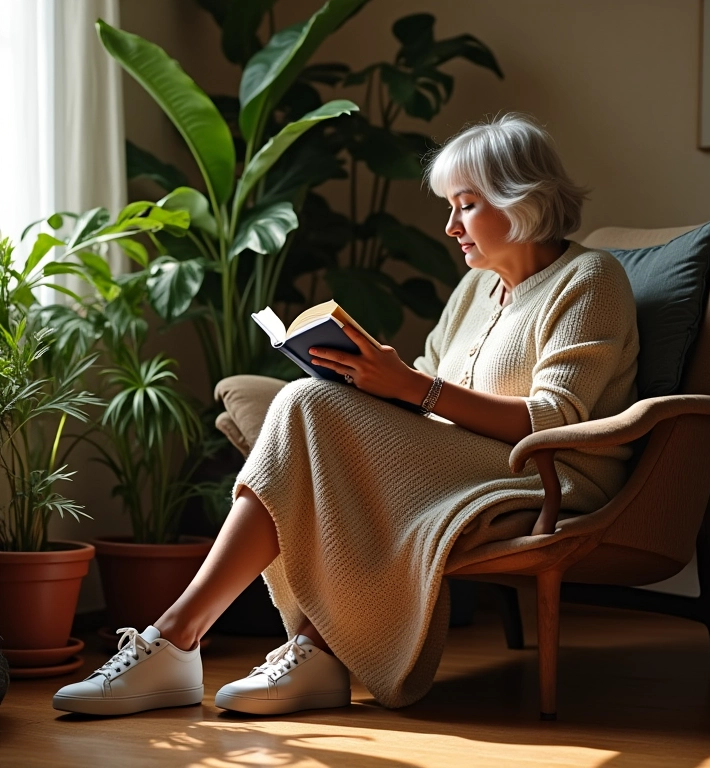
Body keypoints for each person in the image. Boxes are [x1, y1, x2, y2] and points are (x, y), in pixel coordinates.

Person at [53, 113, 639, 718]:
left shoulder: (590, 278)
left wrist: (411, 388)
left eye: (465, 206)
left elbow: (554, 418)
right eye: (450, 206)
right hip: (462, 457)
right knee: (312, 405)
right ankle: (310, 651)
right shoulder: (474, 290)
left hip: (548, 474)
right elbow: (426, 388)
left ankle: (180, 638)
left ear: (522, 201)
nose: (450, 226)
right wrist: (372, 383)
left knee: (305, 408)